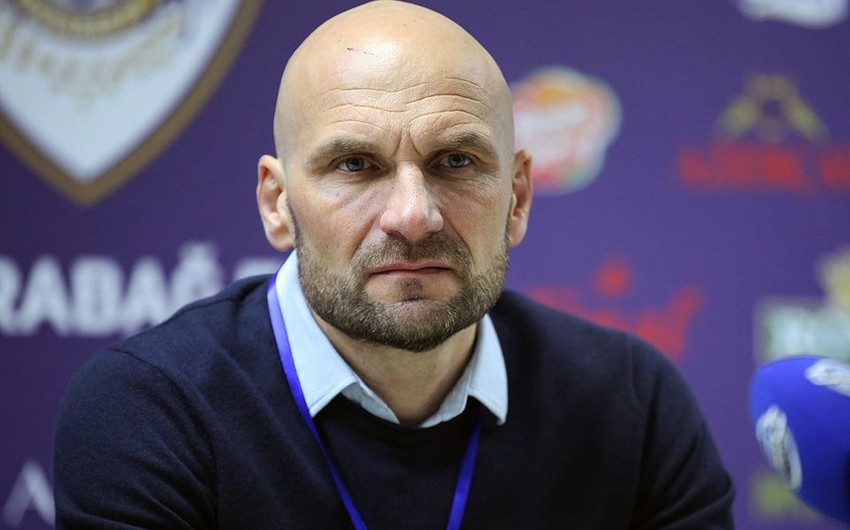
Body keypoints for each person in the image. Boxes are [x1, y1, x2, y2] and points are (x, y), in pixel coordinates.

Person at [53, 1, 735, 528]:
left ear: (518, 197)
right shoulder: (151, 410)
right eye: (356, 165)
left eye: (455, 161)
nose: (413, 216)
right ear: (277, 204)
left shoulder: (632, 406)